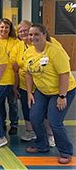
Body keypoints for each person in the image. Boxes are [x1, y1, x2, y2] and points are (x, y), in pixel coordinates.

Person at [24, 23, 75, 164]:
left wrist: (62, 96)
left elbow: (64, 74)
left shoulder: (55, 51)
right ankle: (41, 145)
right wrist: (29, 92)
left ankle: (66, 151)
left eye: (36, 34)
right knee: (34, 117)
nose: (32, 37)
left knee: (54, 121)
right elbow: (28, 73)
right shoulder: (29, 52)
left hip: (62, 90)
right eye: (30, 35)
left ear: (44, 35)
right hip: (42, 90)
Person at [11, 20, 56, 145]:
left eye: (26, 30)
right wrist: (15, 87)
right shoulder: (17, 47)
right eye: (20, 31)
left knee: (45, 110)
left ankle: (50, 134)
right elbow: (15, 70)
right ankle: (30, 131)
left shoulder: (45, 43)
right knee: (27, 108)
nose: (24, 33)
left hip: (43, 85)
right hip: (26, 85)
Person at [0, 18, 20, 134]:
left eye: (6, 27)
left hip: (12, 77)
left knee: (12, 102)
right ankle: (2, 123)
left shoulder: (15, 42)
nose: (4, 29)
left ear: (10, 29)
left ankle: (14, 124)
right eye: (2, 27)